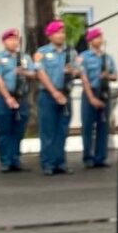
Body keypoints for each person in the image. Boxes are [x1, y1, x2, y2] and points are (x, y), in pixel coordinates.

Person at [34, 21, 73, 176]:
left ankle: (60, 162)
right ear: (49, 35)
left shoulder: (70, 52)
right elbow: (40, 73)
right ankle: (48, 163)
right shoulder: (41, 52)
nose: (61, 35)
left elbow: (78, 71)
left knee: (62, 130)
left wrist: (72, 71)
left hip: (65, 94)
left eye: (63, 32)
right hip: (48, 95)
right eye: (57, 32)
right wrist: (54, 92)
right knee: (48, 131)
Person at [0, 27, 29, 173]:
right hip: (4, 98)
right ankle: (5, 161)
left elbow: (34, 73)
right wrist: (7, 97)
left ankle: (16, 159)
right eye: (11, 39)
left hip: (21, 97)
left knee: (19, 130)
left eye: (16, 39)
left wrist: (24, 71)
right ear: (4, 41)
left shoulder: (24, 57)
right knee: (5, 130)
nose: (14, 42)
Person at [78, 27, 113, 169]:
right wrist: (91, 97)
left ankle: (100, 157)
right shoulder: (84, 57)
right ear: (91, 40)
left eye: (101, 37)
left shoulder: (107, 58)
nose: (100, 40)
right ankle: (88, 157)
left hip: (104, 91)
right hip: (90, 91)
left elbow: (115, 75)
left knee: (103, 126)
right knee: (88, 126)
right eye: (97, 37)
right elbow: (83, 78)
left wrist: (107, 76)